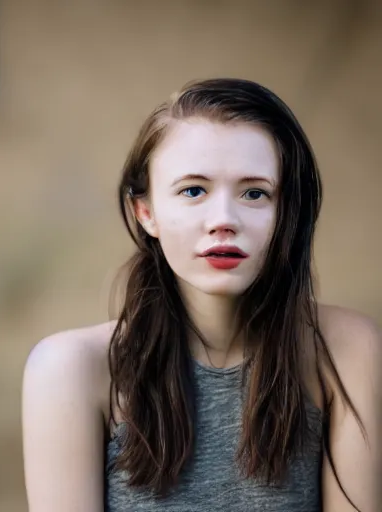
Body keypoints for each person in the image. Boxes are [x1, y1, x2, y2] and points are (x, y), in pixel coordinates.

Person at [22, 78, 381, 511]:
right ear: (147, 212)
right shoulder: (71, 369)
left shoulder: (347, 351)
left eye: (255, 193)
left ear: (287, 211)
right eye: (193, 190)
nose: (224, 219)